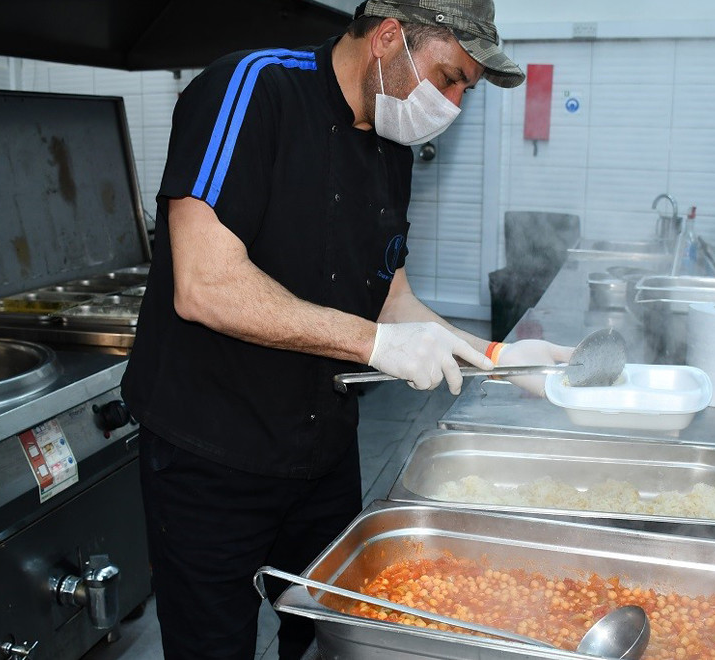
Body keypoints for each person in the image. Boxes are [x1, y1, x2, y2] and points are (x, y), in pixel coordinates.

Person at [121, 1, 571, 657]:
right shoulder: (252, 91)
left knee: (333, 638)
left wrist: (500, 356)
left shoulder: (390, 148)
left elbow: (393, 303)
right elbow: (204, 284)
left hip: (321, 452)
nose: (451, 103)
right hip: (209, 456)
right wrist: (376, 346)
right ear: (390, 37)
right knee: (212, 644)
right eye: (449, 78)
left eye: (464, 91)